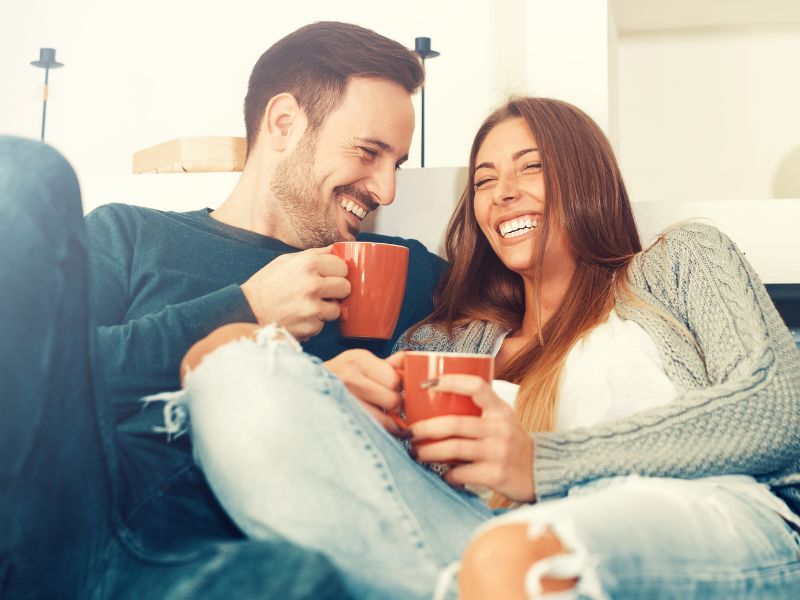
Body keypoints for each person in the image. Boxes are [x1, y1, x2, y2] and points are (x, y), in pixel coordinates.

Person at [180, 97, 800, 599]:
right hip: (481, 550)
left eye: (530, 167)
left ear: (587, 177)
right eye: (484, 180)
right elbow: (402, 491)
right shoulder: (444, 341)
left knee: (515, 562)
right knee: (227, 356)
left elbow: (782, 408)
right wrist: (349, 404)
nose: (501, 192)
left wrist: (542, 463)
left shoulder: (678, 264)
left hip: (706, 521)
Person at [1, 21, 445, 598]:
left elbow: (532, 291)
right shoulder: (130, 235)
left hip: (219, 558)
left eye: (397, 164)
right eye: (368, 152)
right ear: (284, 123)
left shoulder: (389, 269)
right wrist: (246, 307)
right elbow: (40, 385)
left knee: (302, 583)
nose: (386, 190)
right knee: (25, 175)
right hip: (73, 511)